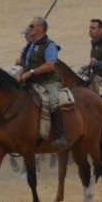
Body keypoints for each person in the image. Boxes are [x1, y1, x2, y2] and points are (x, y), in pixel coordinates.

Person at [18, 16, 65, 144]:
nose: (29, 28)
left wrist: (31, 72)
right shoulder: (31, 45)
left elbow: (50, 65)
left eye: (31, 26)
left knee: (54, 101)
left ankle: (60, 135)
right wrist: (20, 73)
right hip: (31, 81)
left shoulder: (50, 45)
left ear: (40, 28)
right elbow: (27, 65)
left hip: (49, 82)